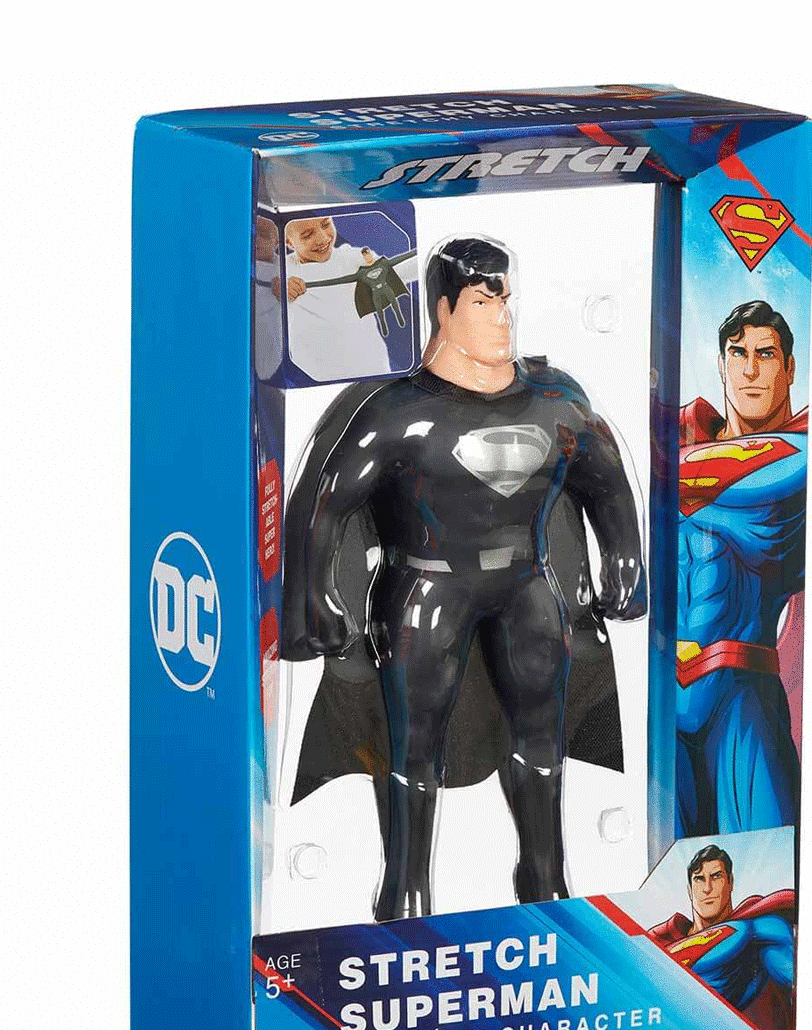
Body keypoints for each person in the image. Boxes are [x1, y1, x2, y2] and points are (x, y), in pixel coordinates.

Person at [282, 236, 645, 921]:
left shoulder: (553, 400)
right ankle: (405, 887)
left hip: (528, 583)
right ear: (444, 310)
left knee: (543, 732)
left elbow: (607, 481)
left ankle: (545, 875)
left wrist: (625, 560)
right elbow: (326, 504)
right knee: (413, 741)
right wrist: (317, 596)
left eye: (506, 299)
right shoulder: (401, 412)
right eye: (483, 301)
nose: (503, 317)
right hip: (428, 587)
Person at [675, 301, 807, 837]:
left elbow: (753, 484)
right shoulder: (678, 437)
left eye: (766, 354)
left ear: (790, 368)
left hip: (740, 692)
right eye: (738, 353)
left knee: (762, 863)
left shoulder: (800, 454)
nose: (750, 370)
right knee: (667, 867)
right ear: (721, 362)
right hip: (664, 695)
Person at [648, 844, 795, 1030]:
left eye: (716, 877)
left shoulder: (761, 929)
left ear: (730, 882)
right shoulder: (659, 941)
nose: (707, 888)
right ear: (689, 889)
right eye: (699, 879)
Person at [284, 215, 416, 379]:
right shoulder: (282, 271)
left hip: (370, 366)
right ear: (289, 242)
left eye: (326, 224)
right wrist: (280, 289)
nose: (323, 238)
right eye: (307, 235)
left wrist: (428, 256)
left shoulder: (353, 258)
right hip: (314, 375)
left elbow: (399, 272)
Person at [253, 215, 284, 382]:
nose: (255, 239)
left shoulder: (286, 271)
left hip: (270, 335)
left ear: (276, 242)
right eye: (251, 233)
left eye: (263, 235)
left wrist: (283, 299)